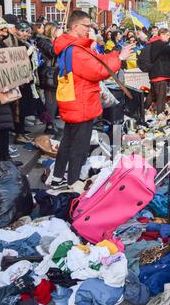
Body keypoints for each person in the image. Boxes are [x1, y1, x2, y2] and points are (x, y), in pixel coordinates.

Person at [50, 10, 133, 190]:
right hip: (81, 101)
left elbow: (98, 61)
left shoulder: (71, 46)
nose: (90, 29)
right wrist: (119, 58)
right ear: (75, 26)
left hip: (74, 99)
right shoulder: (76, 50)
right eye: (86, 26)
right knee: (78, 146)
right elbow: (98, 71)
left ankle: (58, 177)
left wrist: (116, 55)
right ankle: (73, 184)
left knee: (68, 141)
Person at [144, 28, 170, 115]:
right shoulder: (159, 43)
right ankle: (160, 117)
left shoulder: (154, 42)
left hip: (155, 75)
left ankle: (141, 112)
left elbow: (162, 54)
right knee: (161, 98)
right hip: (160, 75)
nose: (169, 37)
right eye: (168, 35)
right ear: (162, 34)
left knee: (151, 96)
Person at [0, 17, 14, 162]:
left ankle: (4, 161)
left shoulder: (0, 45)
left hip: (2, 94)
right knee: (0, 130)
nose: (4, 33)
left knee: (2, 130)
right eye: (1, 29)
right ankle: (3, 163)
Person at [36, 22, 59, 134]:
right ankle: (49, 125)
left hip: (53, 73)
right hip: (48, 74)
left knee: (54, 101)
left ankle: (52, 122)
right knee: (50, 100)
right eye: (56, 30)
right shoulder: (43, 41)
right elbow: (52, 52)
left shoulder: (50, 41)